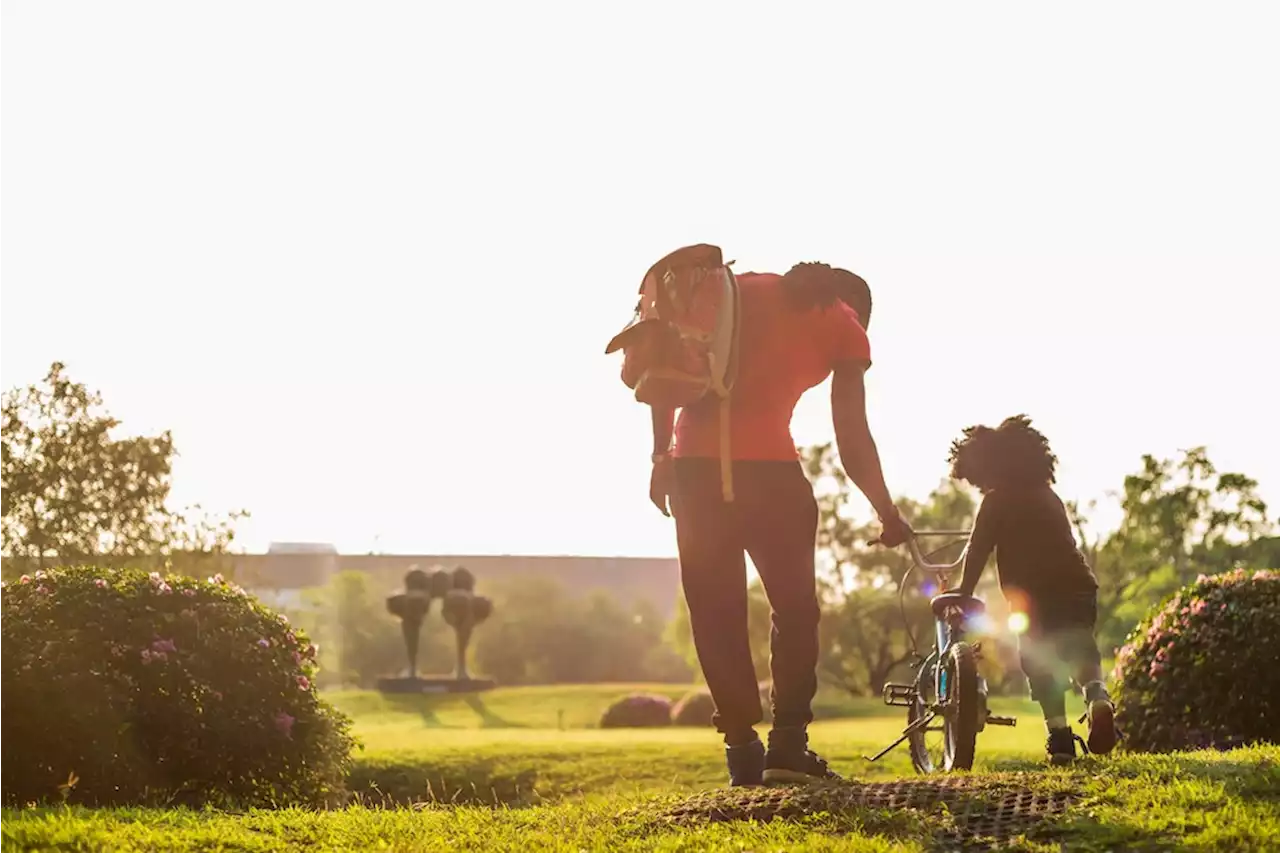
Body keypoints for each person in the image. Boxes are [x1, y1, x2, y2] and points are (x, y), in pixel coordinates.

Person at [648, 262, 912, 787]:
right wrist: (887, 510)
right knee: (794, 610)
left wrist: (660, 457)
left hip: (694, 471)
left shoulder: (733, 292)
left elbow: (663, 369)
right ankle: (788, 746)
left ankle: (742, 753)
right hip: (772, 475)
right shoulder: (843, 321)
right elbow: (852, 436)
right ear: (856, 310)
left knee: (713, 608)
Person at [945, 414, 1118, 764]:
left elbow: (978, 550)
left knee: (1039, 663)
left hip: (1032, 598)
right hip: (1077, 586)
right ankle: (1097, 696)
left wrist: (963, 591)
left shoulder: (996, 502)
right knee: (1079, 646)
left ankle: (1061, 740)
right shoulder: (1047, 495)